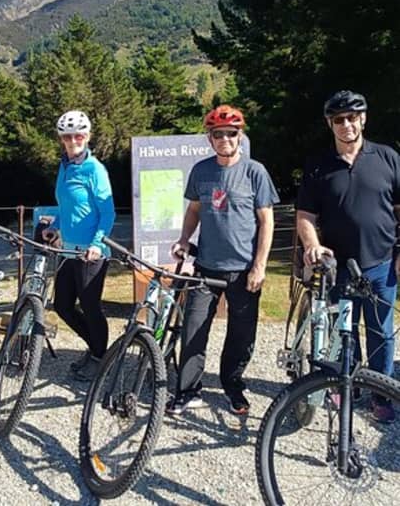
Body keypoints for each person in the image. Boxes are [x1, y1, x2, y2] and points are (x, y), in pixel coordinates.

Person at [166, 105, 279, 415]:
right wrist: (183, 239)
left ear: (239, 136)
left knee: (241, 336)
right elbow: (194, 210)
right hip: (206, 266)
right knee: (193, 329)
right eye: (218, 134)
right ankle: (188, 391)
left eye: (231, 133)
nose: (225, 138)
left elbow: (267, 221)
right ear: (210, 138)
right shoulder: (201, 171)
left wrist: (260, 265)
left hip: (244, 271)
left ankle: (233, 386)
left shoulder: (255, 171)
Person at [296, 90, 399, 423]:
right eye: (338, 119)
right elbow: (305, 217)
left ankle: (382, 394)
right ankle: (347, 386)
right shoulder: (318, 166)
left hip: (381, 263)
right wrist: (312, 244)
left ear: (363, 118)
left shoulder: (388, 157)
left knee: (381, 331)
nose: (346, 124)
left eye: (352, 117)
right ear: (330, 124)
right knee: (345, 330)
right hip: (337, 266)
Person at [42, 110, 115, 381]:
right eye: (67, 136)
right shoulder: (65, 166)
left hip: (91, 252)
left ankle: (99, 356)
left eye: (78, 135)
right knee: (62, 305)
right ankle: (98, 348)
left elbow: (107, 212)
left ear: (87, 137)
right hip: (67, 250)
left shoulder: (94, 169)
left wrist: (97, 243)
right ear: (62, 139)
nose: (73, 140)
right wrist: (56, 226)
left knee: (90, 305)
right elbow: (68, 205)